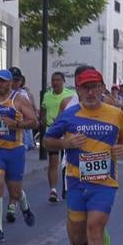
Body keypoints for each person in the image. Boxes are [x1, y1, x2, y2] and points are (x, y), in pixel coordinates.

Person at [43, 66, 123, 245]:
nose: (91, 92)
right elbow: (47, 140)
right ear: (78, 90)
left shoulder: (115, 113)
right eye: (86, 87)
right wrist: (66, 142)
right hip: (75, 180)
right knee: (77, 232)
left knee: (96, 225)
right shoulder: (70, 115)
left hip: (104, 182)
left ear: (102, 88)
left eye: (95, 87)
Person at [0, 69, 37, 243]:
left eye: (3, 81)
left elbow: (34, 121)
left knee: (15, 191)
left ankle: (24, 207)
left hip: (15, 151)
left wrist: (17, 124)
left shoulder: (19, 100)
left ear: (10, 82)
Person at [40, 71, 75, 203]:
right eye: (53, 80)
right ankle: (53, 190)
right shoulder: (47, 95)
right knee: (53, 162)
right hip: (52, 131)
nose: (55, 82)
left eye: (58, 80)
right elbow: (43, 109)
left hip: (66, 132)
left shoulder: (70, 95)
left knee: (67, 161)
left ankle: (67, 188)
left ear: (63, 81)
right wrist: (43, 119)